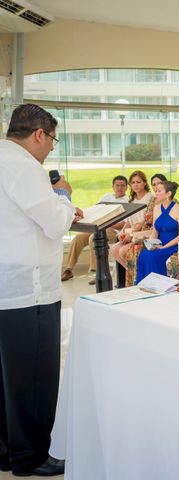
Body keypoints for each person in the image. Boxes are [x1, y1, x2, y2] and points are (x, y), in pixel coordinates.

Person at [0, 104, 81, 476]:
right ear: (38, 134)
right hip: (28, 292)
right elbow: (52, 224)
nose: (51, 148)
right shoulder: (26, 167)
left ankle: (8, 450)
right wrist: (62, 197)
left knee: (7, 378)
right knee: (34, 378)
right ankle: (31, 456)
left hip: (6, 286)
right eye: (52, 139)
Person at [61, 175, 128, 282]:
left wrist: (108, 223)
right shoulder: (107, 196)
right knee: (78, 238)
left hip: (112, 230)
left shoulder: (127, 200)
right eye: (117, 185)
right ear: (113, 187)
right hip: (98, 226)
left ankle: (96, 271)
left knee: (94, 238)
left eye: (123, 186)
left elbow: (125, 223)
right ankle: (69, 269)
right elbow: (97, 209)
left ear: (126, 187)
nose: (120, 188)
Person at [136, 180, 179, 283]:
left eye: (159, 191)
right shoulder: (156, 208)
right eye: (156, 191)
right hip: (160, 243)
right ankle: (145, 284)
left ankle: (158, 284)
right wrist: (150, 244)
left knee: (154, 256)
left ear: (168, 194)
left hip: (173, 245)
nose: (156, 193)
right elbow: (155, 231)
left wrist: (164, 247)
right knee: (144, 254)